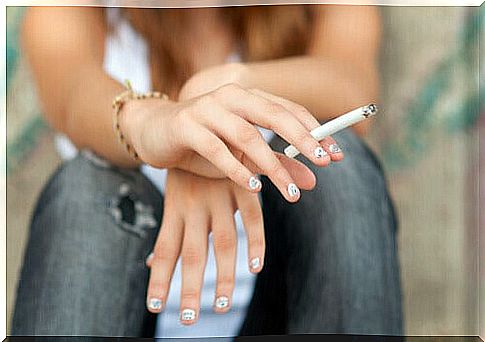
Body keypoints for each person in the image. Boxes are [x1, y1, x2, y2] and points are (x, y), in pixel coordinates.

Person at [12, 5, 403, 337]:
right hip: (117, 313)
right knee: (89, 183)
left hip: (278, 312)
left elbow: (353, 87)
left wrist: (224, 88)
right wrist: (161, 126)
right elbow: (71, 94)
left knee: (338, 160)